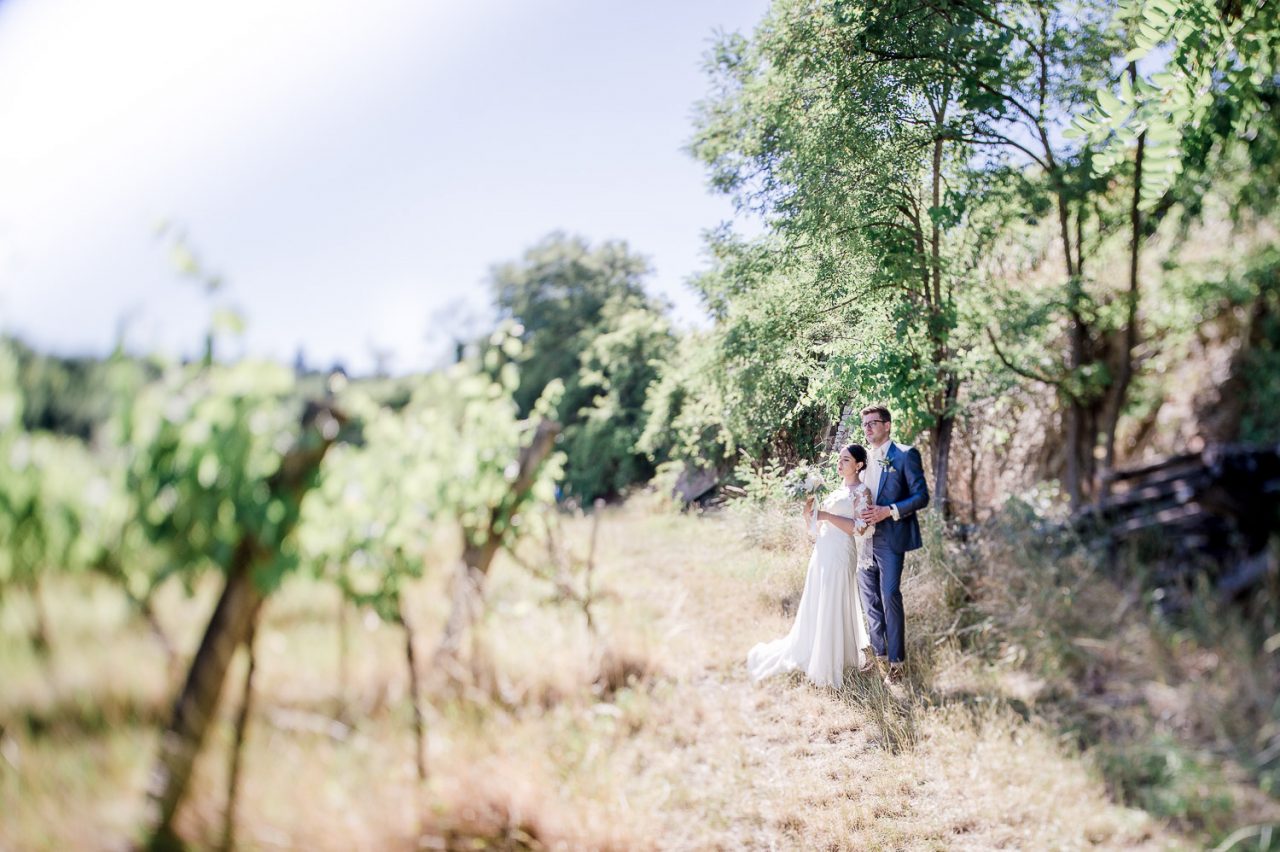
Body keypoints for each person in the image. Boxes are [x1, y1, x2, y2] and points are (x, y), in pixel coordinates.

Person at [748, 445, 876, 689]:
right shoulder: (835, 490)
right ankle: (813, 651)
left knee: (834, 599)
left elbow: (859, 528)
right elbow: (816, 530)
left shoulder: (862, 492)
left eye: (846, 459)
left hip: (841, 553)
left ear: (859, 465)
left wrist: (826, 515)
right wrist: (810, 515)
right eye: (839, 459)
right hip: (823, 551)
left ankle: (835, 659)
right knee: (818, 600)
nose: (840, 463)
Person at [856, 405, 930, 684]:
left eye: (873, 423)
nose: (868, 428)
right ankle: (880, 657)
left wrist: (889, 510)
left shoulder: (905, 454)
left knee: (889, 596)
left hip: (891, 537)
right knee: (870, 602)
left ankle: (898, 664)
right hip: (864, 538)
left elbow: (921, 496)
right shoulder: (863, 459)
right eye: (865, 424)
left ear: (887, 425)